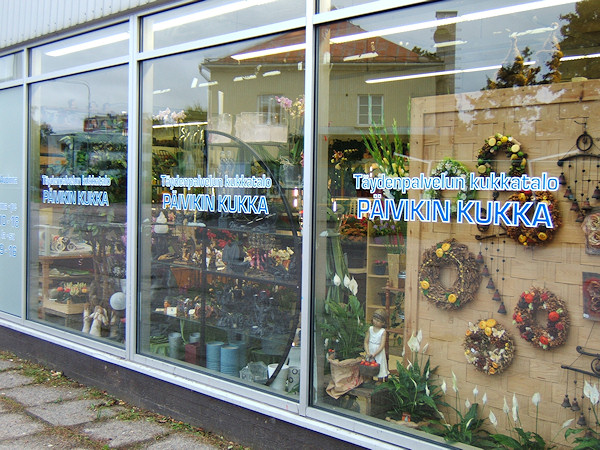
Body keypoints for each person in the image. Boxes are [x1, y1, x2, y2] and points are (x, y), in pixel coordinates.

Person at [364, 309, 389, 380]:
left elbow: (382, 345)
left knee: (379, 364)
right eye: (374, 319)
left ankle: (380, 380)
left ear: (383, 323)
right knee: (369, 364)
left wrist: (375, 353)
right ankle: (369, 378)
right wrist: (368, 352)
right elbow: (366, 342)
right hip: (370, 349)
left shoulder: (383, 331)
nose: (375, 322)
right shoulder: (370, 329)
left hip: (378, 352)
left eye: (378, 321)